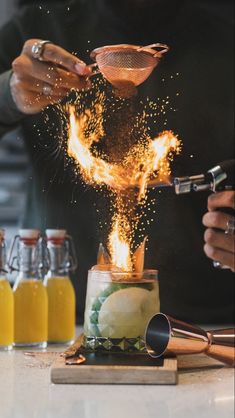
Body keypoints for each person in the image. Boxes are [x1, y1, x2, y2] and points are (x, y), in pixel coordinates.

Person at [0, 0, 234, 324]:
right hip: (60, 326)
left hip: (210, 322)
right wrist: (8, 93)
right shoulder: (38, 26)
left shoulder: (225, 32)